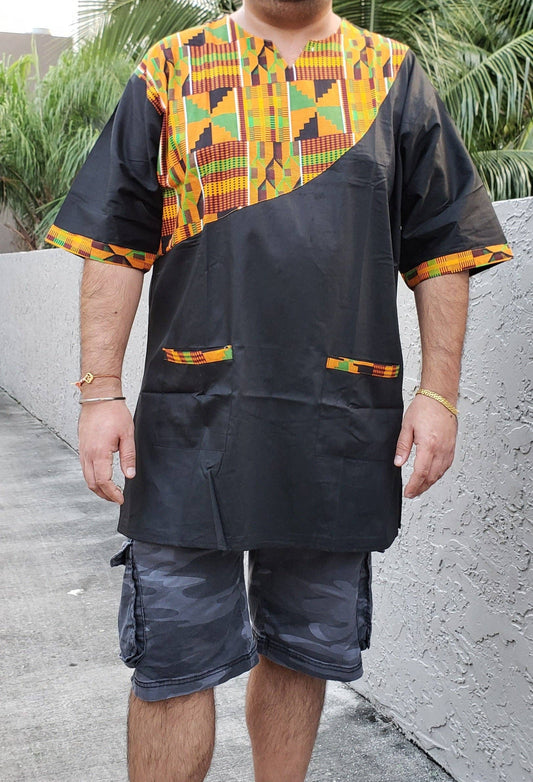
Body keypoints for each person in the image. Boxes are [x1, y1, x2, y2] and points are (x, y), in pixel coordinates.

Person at [46, 0, 513, 778]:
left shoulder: (393, 77)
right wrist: (99, 394)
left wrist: (439, 395)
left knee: (303, 648)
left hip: (337, 419)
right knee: (172, 656)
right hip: (188, 419)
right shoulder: (171, 69)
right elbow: (115, 241)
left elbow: (443, 247)